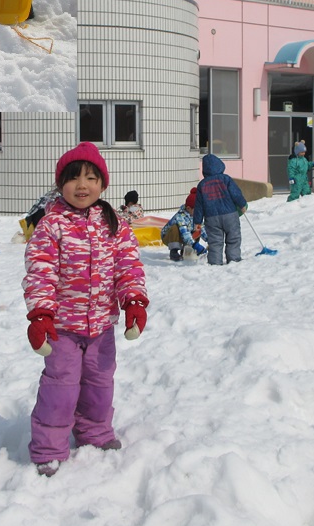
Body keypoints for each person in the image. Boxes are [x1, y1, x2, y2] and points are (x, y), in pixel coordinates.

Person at [22, 142, 149, 477]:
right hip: (62, 328)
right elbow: (41, 272)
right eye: (75, 178)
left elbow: (128, 266)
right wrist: (41, 315)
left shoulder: (114, 223)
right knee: (60, 388)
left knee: (99, 384)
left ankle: (94, 431)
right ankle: (49, 448)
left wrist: (134, 300)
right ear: (60, 183)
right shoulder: (52, 225)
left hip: (101, 327)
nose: (83, 185)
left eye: (92, 178)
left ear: (103, 185)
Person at [192, 154, 249, 266]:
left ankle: (215, 263)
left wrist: (197, 222)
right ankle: (234, 260)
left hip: (211, 218)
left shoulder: (202, 185)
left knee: (215, 242)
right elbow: (236, 193)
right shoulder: (226, 179)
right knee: (233, 238)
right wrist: (242, 204)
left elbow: (199, 206)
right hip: (230, 215)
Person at [161, 188, 206, 262]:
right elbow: (185, 233)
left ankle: (186, 250)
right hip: (169, 237)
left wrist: (211, 241)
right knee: (175, 228)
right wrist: (195, 245)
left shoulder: (196, 216)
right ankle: (174, 251)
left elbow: (202, 229)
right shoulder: (180, 216)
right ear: (188, 208)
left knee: (197, 229)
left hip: (184, 237)